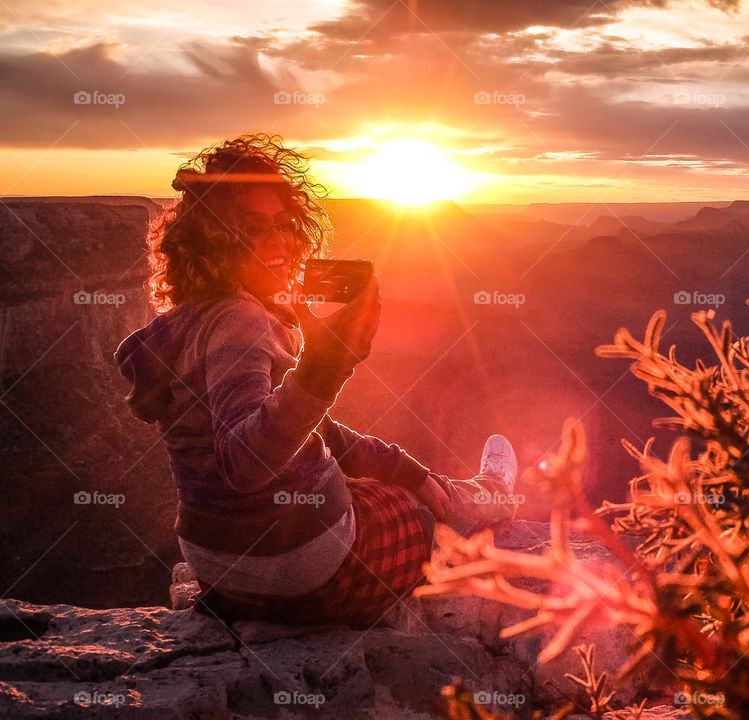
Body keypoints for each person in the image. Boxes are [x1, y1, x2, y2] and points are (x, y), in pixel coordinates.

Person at [114, 133, 518, 627]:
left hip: (220, 571)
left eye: (284, 225)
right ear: (215, 237)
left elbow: (303, 431)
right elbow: (244, 462)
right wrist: (329, 361)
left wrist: (406, 467)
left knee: (393, 481)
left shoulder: (193, 322)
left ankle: (462, 489)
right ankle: (490, 494)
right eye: (252, 227)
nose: (278, 241)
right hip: (309, 570)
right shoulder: (241, 320)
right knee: (427, 511)